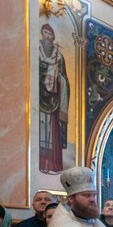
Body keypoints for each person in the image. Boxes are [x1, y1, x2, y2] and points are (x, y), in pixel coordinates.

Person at [39, 23, 69, 174]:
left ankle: (52, 164)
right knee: (39, 129)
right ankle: (39, 163)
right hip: (38, 99)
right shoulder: (35, 52)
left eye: (50, 34)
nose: (47, 37)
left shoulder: (59, 57)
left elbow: (64, 80)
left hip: (53, 100)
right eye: (45, 33)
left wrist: (57, 75)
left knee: (51, 131)